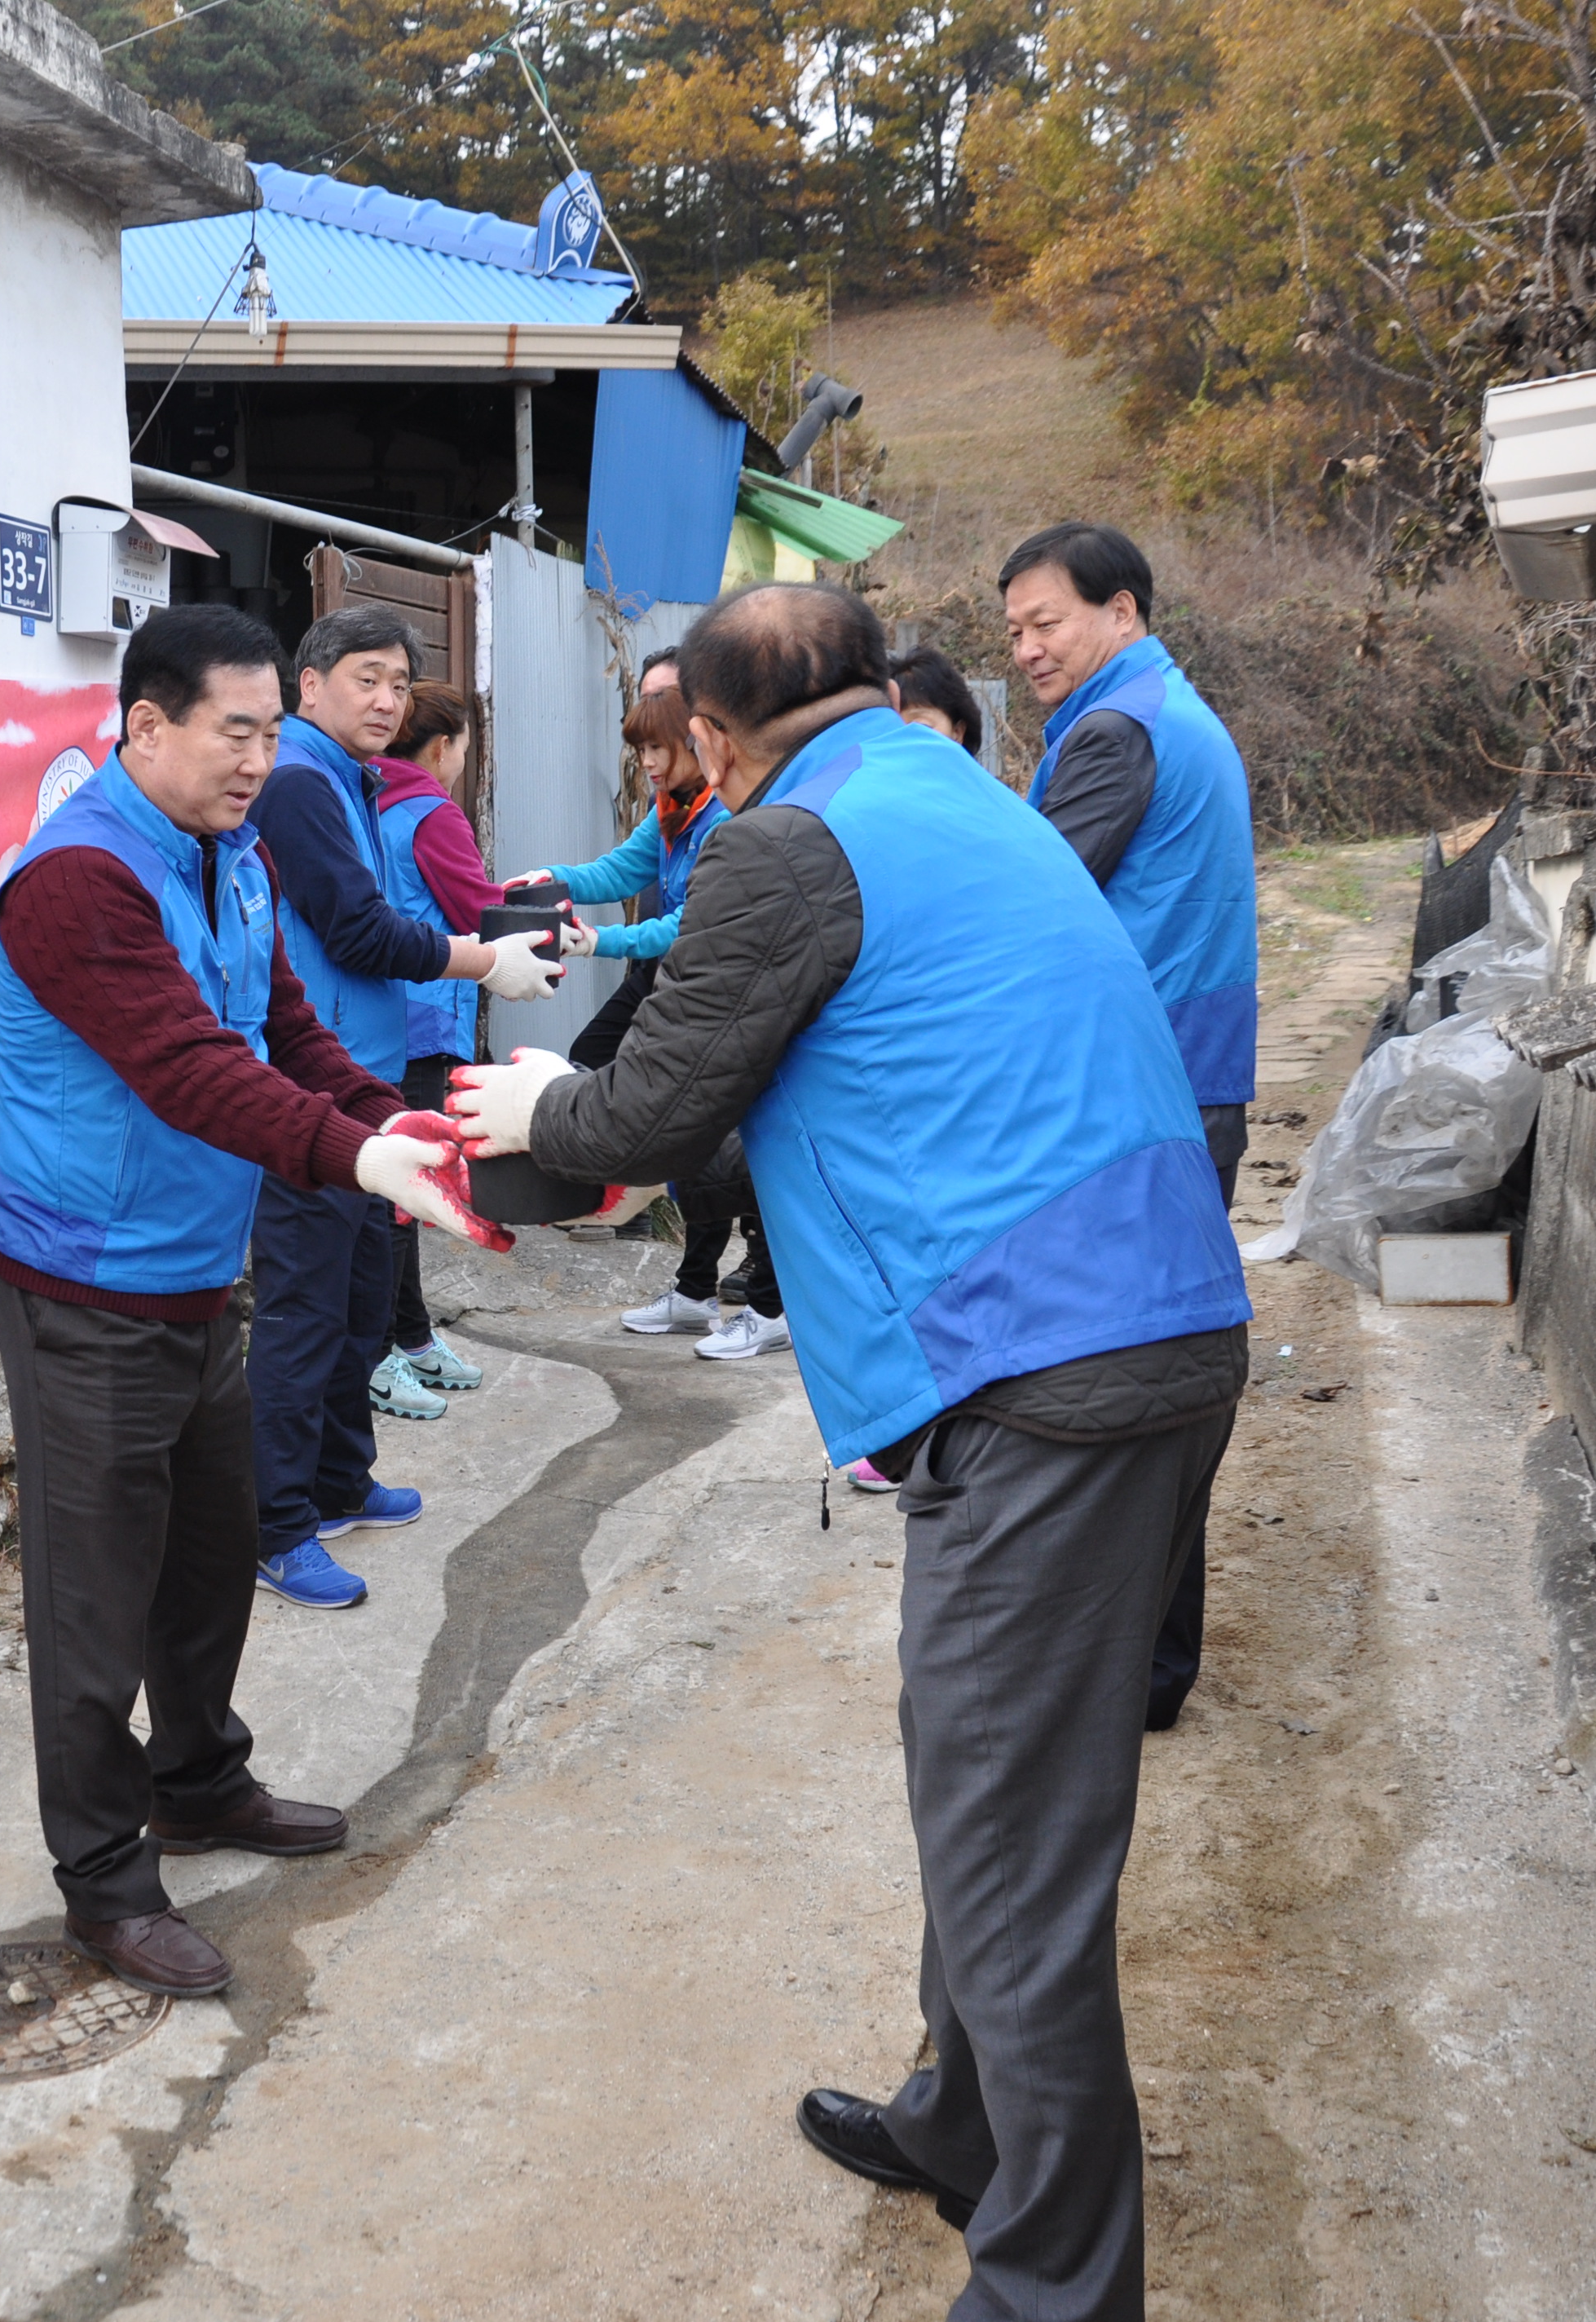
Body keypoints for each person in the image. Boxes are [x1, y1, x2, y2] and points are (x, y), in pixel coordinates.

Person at [449, 583, 1250, 2321]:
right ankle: (959, 2120)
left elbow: (648, 1112)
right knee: (968, 1768)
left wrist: (527, 1111)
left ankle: (1053, 2286)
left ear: (719, 744)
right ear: (879, 687)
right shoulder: (945, 785)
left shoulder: (780, 846)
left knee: (1012, 1846)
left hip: (1045, 1362)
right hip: (1118, 1321)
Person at [0, 602, 500, 2000]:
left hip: (198, 1274)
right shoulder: (76, 879)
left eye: (273, 731)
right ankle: (101, 1876)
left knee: (211, 1557)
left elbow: (286, 1036)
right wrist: (353, 1155)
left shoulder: (237, 851)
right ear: (142, 724)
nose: (258, 757)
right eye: (235, 730)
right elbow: (185, 1066)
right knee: (94, 1607)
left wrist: (405, 1130)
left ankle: (199, 1781)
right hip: (82, 1284)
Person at [243, 605, 560, 1610]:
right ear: (310, 683)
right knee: (300, 1311)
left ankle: (340, 1479)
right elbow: (359, 931)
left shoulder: (349, 778)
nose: (385, 700)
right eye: (365, 678)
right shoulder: (296, 782)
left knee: (356, 1294)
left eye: (397, 684)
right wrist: (483, 960)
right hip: (312, 1087)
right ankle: (277, 1526)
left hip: (367, 1079)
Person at [999, 521, 1257, 1733]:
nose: (1029, 647)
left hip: (1146, 1095)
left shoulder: (1118, 731)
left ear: (1123, 614)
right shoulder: (1164, 711)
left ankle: (1139, 1673)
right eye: (1014, 631)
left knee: (1135, 1381)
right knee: (1160, 1370)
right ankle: (1149, 1667)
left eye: (1048, 621)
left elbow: (1036, 903)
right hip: (1187, 1086)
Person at [508, 690, 796, 1362]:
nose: (647, 764)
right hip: (684, 985)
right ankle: (695, 1291)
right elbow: (620, 870)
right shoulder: (671, 812)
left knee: (735, 1135)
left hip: (732, 989)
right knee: (682, 1121)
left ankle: (769, 1305)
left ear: (698, 743)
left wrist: (597, 944)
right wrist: (558, 878)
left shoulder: (726, 818)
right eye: (640, 752)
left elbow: (687, 922)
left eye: (656, 749)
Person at [368, 678, 500, 1422]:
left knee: (401, 1191)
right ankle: (383, 1350)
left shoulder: (364, 800)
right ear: (445, 746)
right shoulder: (431, 811)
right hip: (420, 1028)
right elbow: (477, 911)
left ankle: (411, 1337)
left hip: (375, 1020)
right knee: (404, 1191)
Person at [892, 645, 986, 760]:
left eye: (922, 727)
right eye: (892, 730)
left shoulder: (975, 778)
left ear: (957, 732)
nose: (904, 741)